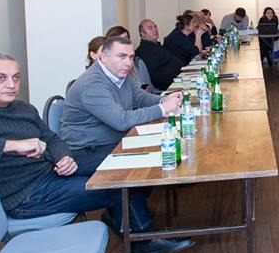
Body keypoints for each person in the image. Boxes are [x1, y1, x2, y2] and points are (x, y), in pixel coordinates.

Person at [0, 53, 191, 253]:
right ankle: (144, 247)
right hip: (27, 197)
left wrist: (62, 156)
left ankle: (134, 231)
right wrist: (11, 146)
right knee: (117, 185)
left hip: (49, 174)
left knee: (120, 164)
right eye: (1, 78)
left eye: (16, 77)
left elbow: (52, 138)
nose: (11, 84)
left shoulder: (22, 108)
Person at [61, 36, 184, 169]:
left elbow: (139, 97)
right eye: (122, 56)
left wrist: (163, 100)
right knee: (156, 158)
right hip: (87, 152)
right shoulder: (92, 84)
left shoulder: (117, 72)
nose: (128, 63)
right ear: (103, 57)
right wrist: (162, 108)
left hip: (112, 141)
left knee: (167, 146)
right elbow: (121, 121)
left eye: (131, 57)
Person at [136, 19, 186, 91]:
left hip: (178, 78)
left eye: (155, 27)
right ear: (142, 33)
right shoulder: (145, 51)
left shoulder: (156, 45)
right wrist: (178, 76)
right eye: (150, 28)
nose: (155, 30)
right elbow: (156, 77)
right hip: (169, 86)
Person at [106, 25, 156, 93]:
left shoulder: (137, 62)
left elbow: (149, 88)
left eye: (125, 39)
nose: (123, 43)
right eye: (119, 40)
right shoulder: (107, 69)